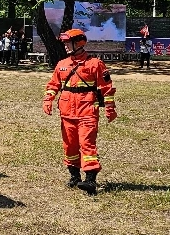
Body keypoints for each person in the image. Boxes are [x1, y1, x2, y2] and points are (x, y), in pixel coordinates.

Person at [43, 28, 117, 194]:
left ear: (79, 43)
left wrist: (110, 108)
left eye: (68, 43)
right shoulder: (62, 65)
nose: (66, 46)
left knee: (87, 144)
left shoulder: (95, 64)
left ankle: (90, 180)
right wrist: (48, 99)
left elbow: (106, 87)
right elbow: (53, 84)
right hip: (67, 113)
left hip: (87, 112)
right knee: (70, 146)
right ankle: (74, 176)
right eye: (65, 43)